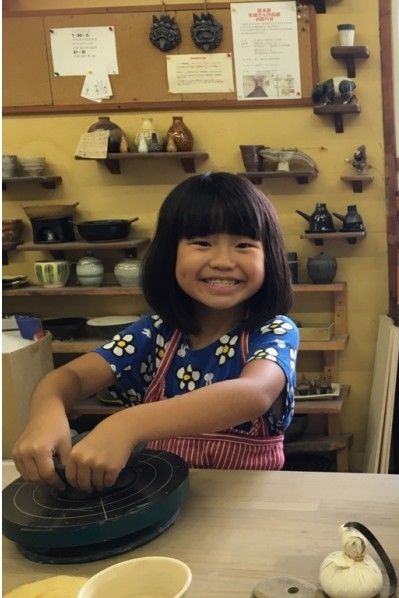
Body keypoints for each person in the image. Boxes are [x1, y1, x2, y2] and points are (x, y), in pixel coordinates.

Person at [13, 172, 299, 492]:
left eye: (244, 245)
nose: (223, 261)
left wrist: (126, 425)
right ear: (170, 254)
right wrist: (45, 415)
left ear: (269, 257)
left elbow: (253, 394)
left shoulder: (274, 330)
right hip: (161, 503)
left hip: (252, 508)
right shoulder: (155, 332)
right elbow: (69, 379)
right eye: (202, 243)